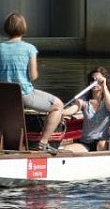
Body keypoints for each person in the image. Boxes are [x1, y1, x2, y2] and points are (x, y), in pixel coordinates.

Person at [0, 12, 63, 153]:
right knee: (58, 105)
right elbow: (33, 76)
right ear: (23, 28)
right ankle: (43, 142)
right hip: (24, 94)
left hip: (3, 95)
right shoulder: (29, 49)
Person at [63, 67, 110, 151]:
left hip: (103, 141)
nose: (95, 83)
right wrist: (60, 112)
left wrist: (104, 86)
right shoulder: (84, 98)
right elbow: (74, 108)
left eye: (98, 80)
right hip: (86, 142)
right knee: (67, 149)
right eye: (92, 80)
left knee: (101, 145)